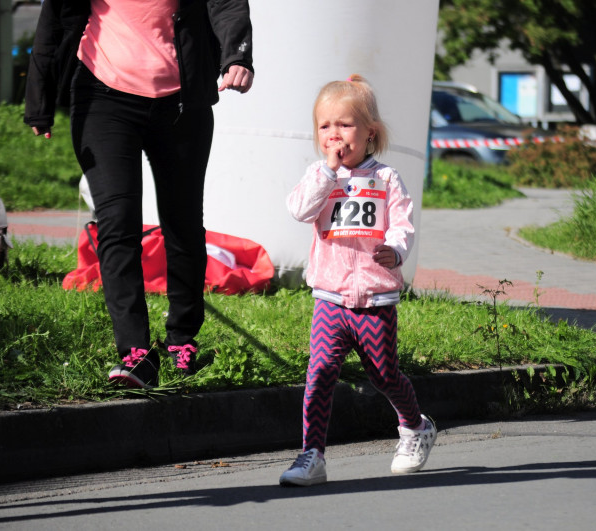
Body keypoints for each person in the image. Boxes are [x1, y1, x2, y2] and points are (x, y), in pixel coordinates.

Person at [23, 0, 254, 388]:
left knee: (183, 224)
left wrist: (237, 55)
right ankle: (135, 353)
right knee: (117, 222)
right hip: (102, 97)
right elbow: (54, 17)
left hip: (183, 101)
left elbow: (227, 4)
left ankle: (182, 340)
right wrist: (39, 99)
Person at [281, 75, 436, 486]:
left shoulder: (386, 179)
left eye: (345, 125)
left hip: (375, 297)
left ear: (370, 132)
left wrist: (396, 249)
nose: (334, 134)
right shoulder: (319, 176)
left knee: (384, 375)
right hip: (330, 297)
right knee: (319, 373)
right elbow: (298, 209)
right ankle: (312, 454)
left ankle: (416, 427)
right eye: (325, 126)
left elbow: (403, 223)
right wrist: (326, 174)